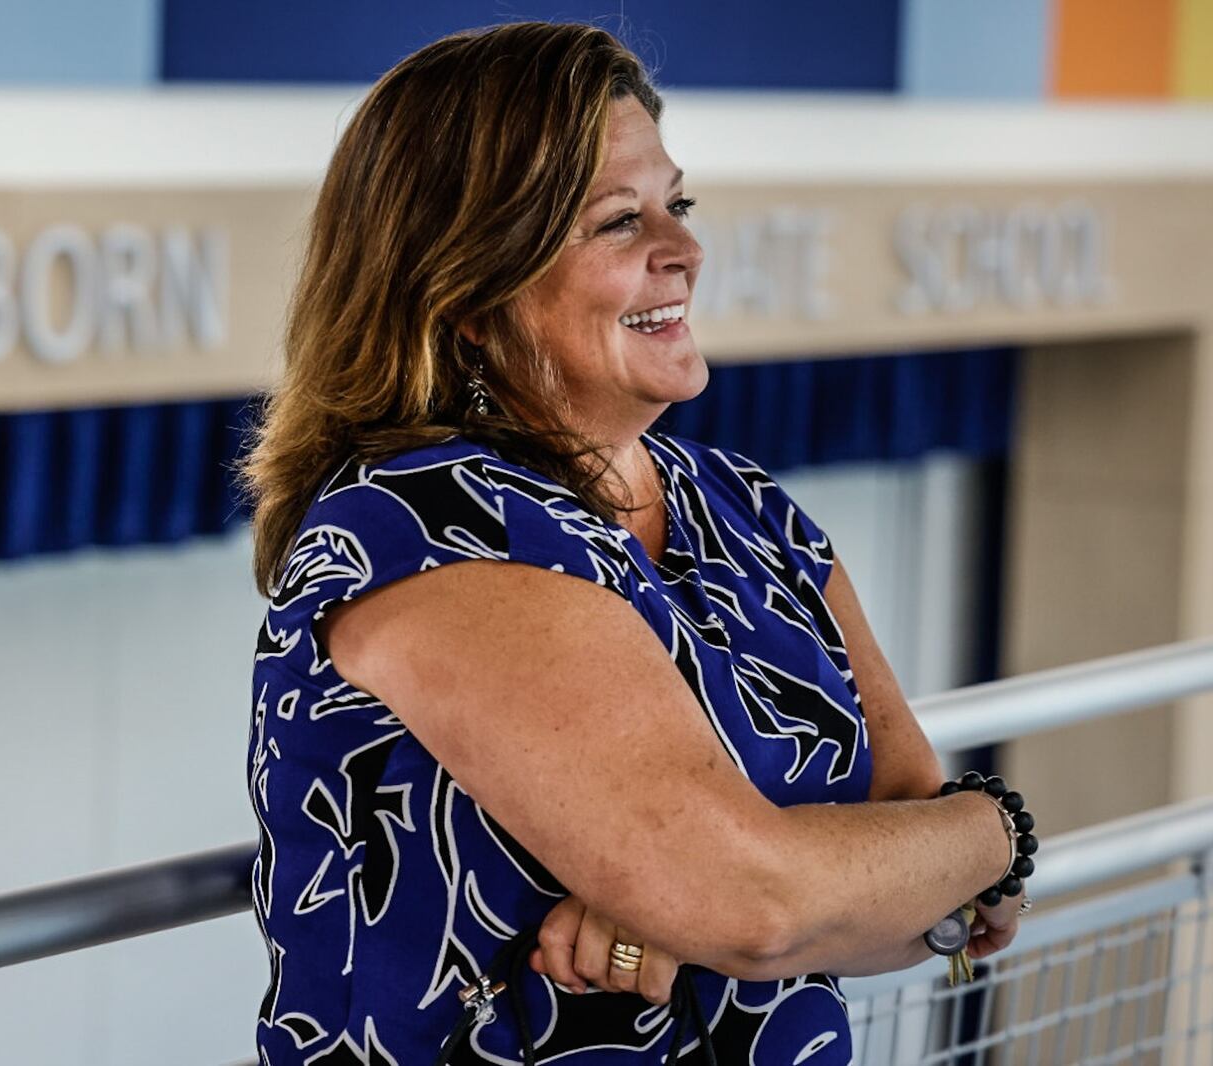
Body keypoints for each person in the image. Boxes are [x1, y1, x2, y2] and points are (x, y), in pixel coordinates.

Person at [241, 21, 1027, 1064]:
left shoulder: (745, 509)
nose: (686, 250)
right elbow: (760, 906)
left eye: (678, 204)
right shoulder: (420, 528)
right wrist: (990, 833)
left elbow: (922, 885)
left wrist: (936, 852)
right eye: (620, 221)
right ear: (471, 297)